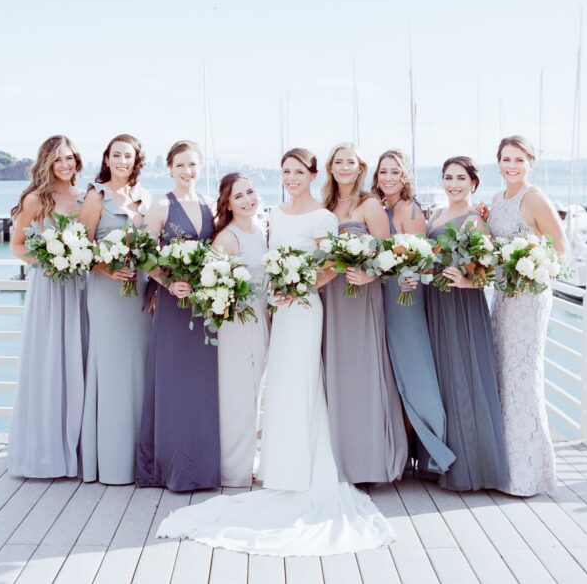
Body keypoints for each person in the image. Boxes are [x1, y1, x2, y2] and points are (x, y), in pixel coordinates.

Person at [155, 148, 394, 556]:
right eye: (285, 171)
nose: (291, 178)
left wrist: (300, 286)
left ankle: (303, 469)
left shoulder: (323, 217)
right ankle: (279, 468)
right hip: (278, 314)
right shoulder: (275, 216)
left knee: (300, 382)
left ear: (312, 174)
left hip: (303, 308)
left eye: (299, 171)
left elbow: (332, 265)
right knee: (281, 386)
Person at [320, 142, 407, 484]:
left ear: (360, 169)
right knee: (333, 372)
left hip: (361, 295)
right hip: (330, 295)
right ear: (330, 168)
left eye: (350, 163)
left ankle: (368, 461)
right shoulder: (325, 205)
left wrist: (370, 273)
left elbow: (390, 254)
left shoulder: (369, 204)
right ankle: (337, 457)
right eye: (338, 162)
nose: (344, 168)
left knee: (363, 371)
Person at [136, 140, 220, 491]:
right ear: (169, 168)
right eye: (182, 165)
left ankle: (202, 467)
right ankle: (168, 468)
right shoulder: (159, 206)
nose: (188, 171)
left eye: (194, 165)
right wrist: (168, 283)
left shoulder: (209, 205)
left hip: (203, 306)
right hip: (173, 305)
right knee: (172, 382)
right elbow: (142, 254)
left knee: (201, 386)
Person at [426, 156, 510, 491]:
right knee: (444, 378)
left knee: (465, 377)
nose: (454, 184)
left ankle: (474, 468)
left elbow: (488, 272)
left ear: (473, 183)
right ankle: (442, 461)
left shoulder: (475, 221)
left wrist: (466, 283)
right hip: (436, 302)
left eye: (461, 178)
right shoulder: (435, 215)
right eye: (448, 177)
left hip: (461, 307)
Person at [487, 136, 565, 496]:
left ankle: (528, 474)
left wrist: (532, 268)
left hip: (530, 299)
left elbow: (561, 252)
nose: (512, 165)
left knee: (523, 377)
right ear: (499, 162)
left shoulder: (534, 199)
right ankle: (504, 466)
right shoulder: (496, 201)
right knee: (504, 376)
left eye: (519, 159)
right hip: (503, 297)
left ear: (530, 163)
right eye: (506, 159)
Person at [7, 135, 88, 478]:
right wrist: (48, 259)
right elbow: (17, 246)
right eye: (58, 160)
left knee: (81, 359)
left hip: (81, 287)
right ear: (47, 164)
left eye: (69, 158)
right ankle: (46, 450)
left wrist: (75, 258)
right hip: (50, 289)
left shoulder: (86, 197)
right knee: (50, 362)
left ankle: (81, 449)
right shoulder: (35, 199)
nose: (65, 165)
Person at [371, 149, 454, 475]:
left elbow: (423, 259)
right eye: (382, 172)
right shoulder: (380, 208)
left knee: (413, 371)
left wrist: (410, 278)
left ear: (405, 176)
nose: (388, 178)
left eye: (394, 172)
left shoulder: (408, 208)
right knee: (392, 377)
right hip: (379, 296)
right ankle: (404, 452)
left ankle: (437, 446)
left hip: (404, 298)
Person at [77, 134, 152, 485]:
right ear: (106, 159)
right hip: (107, 295)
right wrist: (106, 268)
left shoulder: (144, 197)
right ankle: (109, 463)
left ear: (136, 160)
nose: (123, 161)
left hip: (137, 294)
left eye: (129, 156)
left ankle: (139, 457)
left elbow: (152, 247)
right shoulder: (97, 195)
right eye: (117, 155)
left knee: (138, 370)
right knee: (110, 372)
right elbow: (79, 248)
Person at [210, 172, 269, 487]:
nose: (248, 200)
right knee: (236, 394)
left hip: (260, 318)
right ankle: (233, 470)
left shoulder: (261, 231)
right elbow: (213, 288)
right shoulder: (227, 238)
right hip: (236, 323)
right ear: (228, 204)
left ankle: (249, 461)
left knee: (255, 392)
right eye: (239, 196)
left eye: (250, 192)